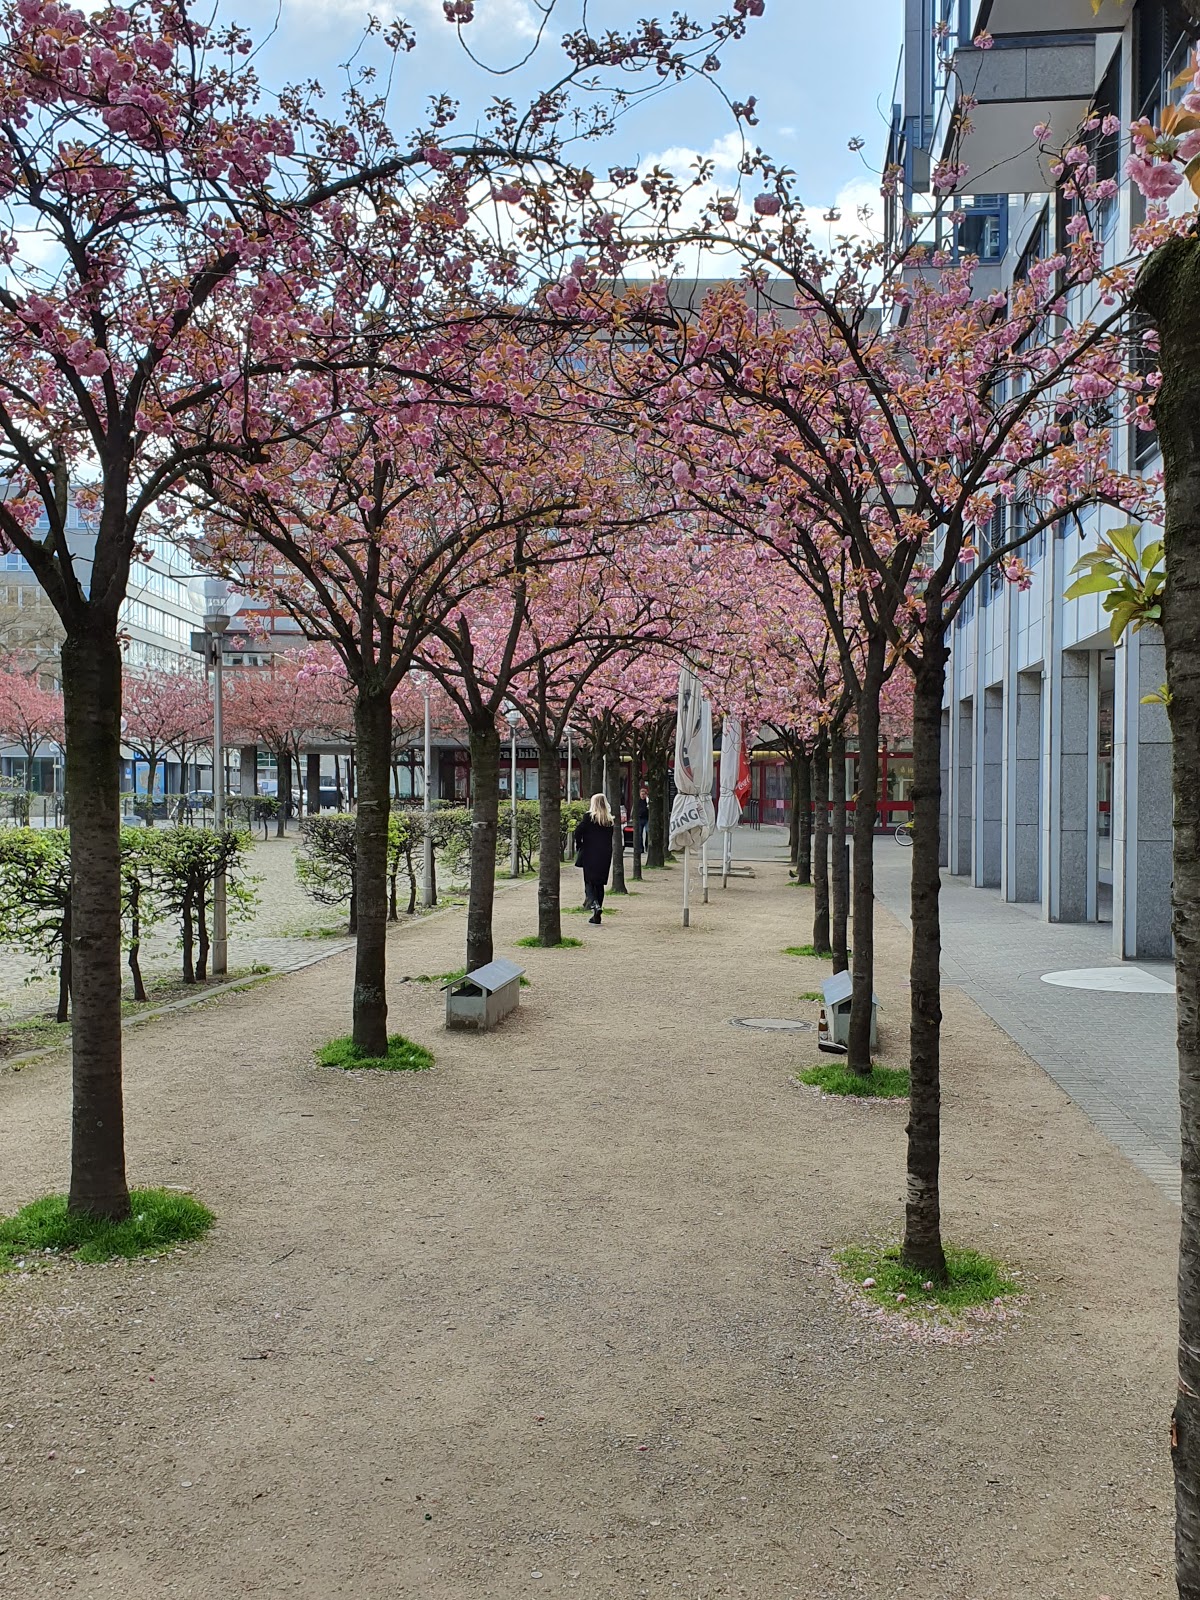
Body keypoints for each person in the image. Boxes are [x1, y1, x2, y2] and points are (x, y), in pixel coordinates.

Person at [574, 792, 615, 925]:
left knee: (589, 882)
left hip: (590, 853)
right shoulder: (609, 821)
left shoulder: (589, 817)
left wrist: (580, 844)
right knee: (600, 884)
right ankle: (597, 913)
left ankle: (594, 904)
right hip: (605, 854)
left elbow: (578, 831)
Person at [636, 782, 650, 854]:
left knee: (648, 832)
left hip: (647, 819)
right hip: (640, 818)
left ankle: (647, 846)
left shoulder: (648, 801)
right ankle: (641, 848)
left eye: (644, 794)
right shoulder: (637, 801)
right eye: (642, 794)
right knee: (639, 834)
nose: (643, 796)